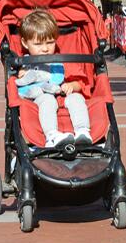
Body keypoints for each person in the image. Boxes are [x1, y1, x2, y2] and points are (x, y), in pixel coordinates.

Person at [16, 9, 92, 148]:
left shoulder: (60, 60)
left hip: (63, 97)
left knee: (76, 98)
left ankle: (83, 132)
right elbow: (20, 86)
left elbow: (80, 83)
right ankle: (51, 135)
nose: (45, 49)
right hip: (39, 98)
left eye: (50, 43)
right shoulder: (24, 64)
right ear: (25, 43)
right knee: (48, 100)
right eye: (38, 44)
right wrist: (23, 73)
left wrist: (71, 86)